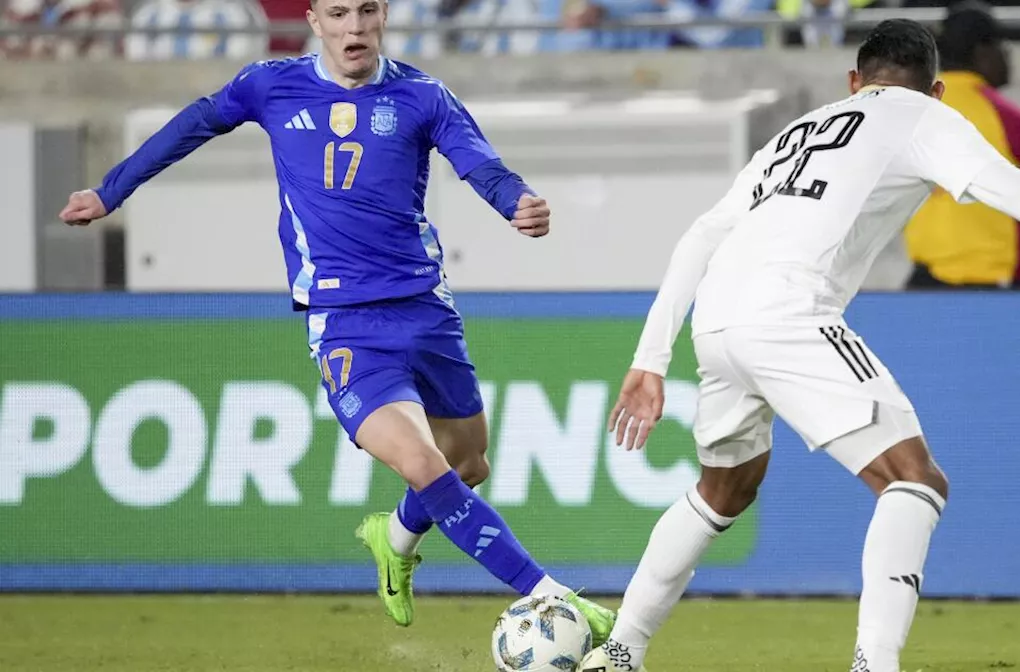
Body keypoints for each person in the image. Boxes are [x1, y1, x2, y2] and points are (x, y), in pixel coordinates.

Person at [600, 18, 1020, 672]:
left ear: (855, 81)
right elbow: (1014, 186)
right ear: (935, 90)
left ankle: (621, 651)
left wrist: (650, 360)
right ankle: (875, 665)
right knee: (915, 480)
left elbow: (700, 235)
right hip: (788, 311)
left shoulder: (799, 131)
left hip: (715, 319)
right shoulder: (923, 117)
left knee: (725, 488)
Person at [57, 0, 617, 644]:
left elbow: (477, 160)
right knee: (424, 463)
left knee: (467, 465)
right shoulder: (268, 84)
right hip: (345, 322)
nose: (355, 28)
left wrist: (515, 200)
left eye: (368, 12)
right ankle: (552, 597)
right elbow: (190, 126)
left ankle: (395, 537)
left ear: (384, 18)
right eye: (340, 13)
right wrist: (110, 190)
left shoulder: (422, 95)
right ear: (315, 22)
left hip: (425, 310)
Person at [903, 4, 1020, 290]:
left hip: (926, 286)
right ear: (982, 53)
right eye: (1003, 47)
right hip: (1001, 285)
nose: (1007, 57)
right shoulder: (1011, 121)